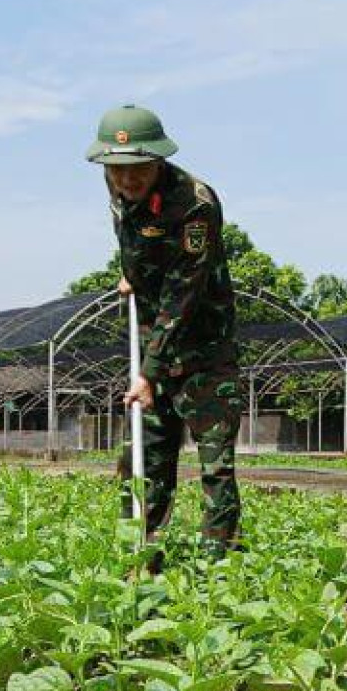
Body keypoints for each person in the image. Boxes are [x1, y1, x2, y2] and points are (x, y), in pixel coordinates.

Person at [86, 104, 242, 559]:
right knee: (143, 463)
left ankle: (219, 573)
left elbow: (183, 293)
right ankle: (138, 559)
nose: (126, 180)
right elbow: (137, 243)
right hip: (154, 347)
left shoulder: (195, 204)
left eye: (137, 170)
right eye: (116, 170)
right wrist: (135, 274)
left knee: (215, 467)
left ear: (157, 160)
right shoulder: (118, 189)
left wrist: (148, 374)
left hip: (203, 351)